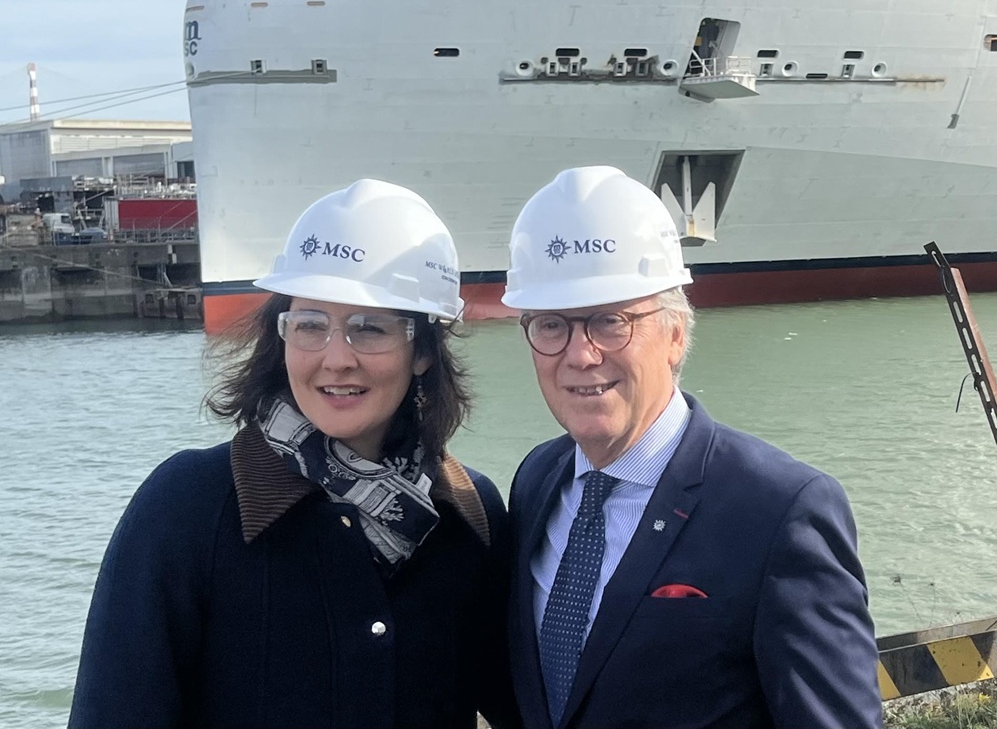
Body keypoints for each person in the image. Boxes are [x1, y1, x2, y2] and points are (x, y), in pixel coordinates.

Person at [69, 180, 516, 729]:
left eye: (368, 329)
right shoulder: (187, 509)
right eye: (309, 325)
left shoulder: (469, 515)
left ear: (422, 349)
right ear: (280, 337)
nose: (335, 359)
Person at [501, 165, 881, 729]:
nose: (579, 355)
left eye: (610, 321)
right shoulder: (538, 478)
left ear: (676, 334)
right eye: (552, 325)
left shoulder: (779, 510)